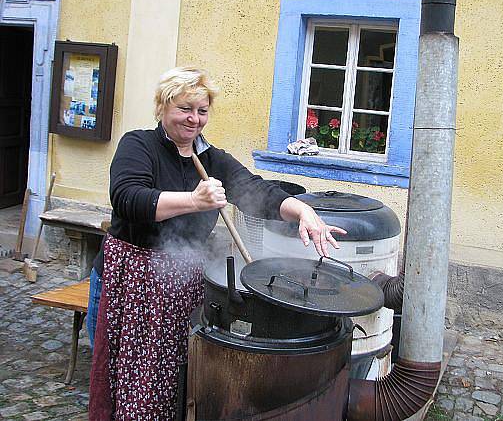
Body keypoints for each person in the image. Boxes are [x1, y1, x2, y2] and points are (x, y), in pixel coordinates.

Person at [88, 67, 346, 420]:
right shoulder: (138, 145)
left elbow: (257, 191)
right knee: (133, 370)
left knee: (176, 371)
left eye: (202, 111)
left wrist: (303, 211)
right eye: (184, 108)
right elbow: (128, 198)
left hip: (183, 281)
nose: (194, 119)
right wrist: (194, 200)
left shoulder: (213, 160)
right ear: (162, 108)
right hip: (132, 280)